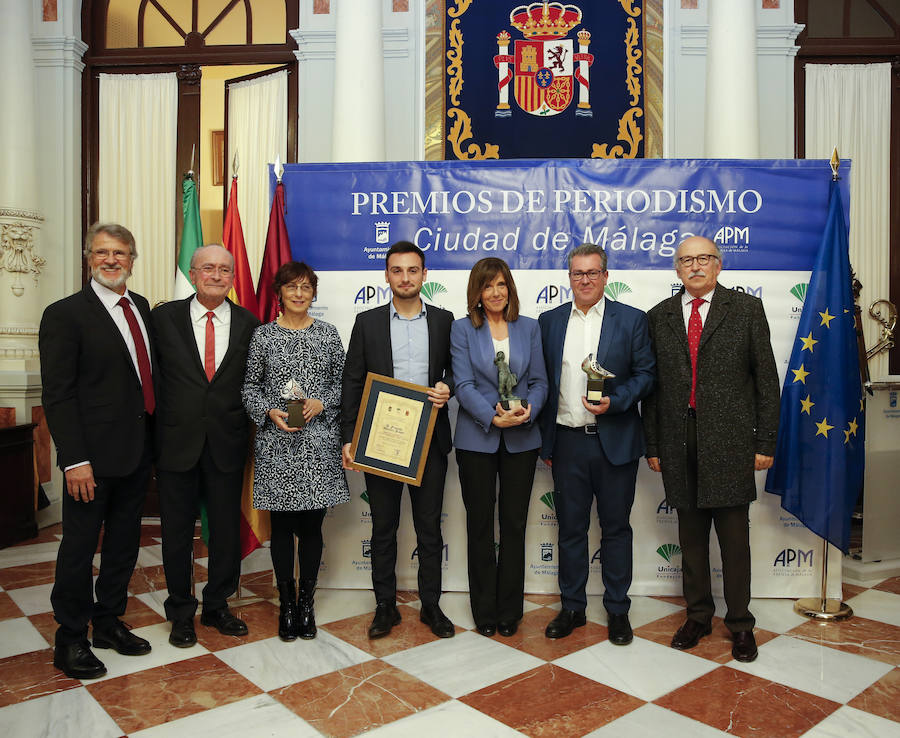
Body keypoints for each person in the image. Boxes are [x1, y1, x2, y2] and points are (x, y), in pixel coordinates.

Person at [643, 236, 779, 663]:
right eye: (686, 260)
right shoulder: (659, 316)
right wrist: (653, 443)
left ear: (718, 265)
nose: (695, 266)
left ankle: (740, 624)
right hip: (678, 442)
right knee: (691, 538)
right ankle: (698, 616)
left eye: (703, 259)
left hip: (731, 443)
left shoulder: (746, 310)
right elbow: (654, 389)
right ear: (677, 269)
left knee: (735, 541)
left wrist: (765, 441)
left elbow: (767, 383)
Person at [39, 222, 155, 679]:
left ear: (131, 260)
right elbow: (59, 394)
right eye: (103, 252)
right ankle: (69, 638)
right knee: (80, 547)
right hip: (89, 461)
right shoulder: (64, 314)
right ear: (88, 258)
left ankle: (108, 622)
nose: (112, 260)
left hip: (136, 452)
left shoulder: (141, 307)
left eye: (121, 253)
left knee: (125, 544)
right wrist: (74, 460)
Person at [538, 243, 655, 643]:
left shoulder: (632, 320)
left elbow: (645, 375)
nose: (584, 280)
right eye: (577, 273)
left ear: (606, 276)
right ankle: (572, 607)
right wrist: (546, 444)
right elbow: (542, 382)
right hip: (567, 442)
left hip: (615, 441)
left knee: (616, 529)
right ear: (568, 277)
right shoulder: (549, 321)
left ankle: (618, 610)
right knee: (570, 530)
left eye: (592, 273)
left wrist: (616, 402)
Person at [341, 241, 456, 639]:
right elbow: (353, 380)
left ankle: (431, 606)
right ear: (386, 275)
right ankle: (385, 607)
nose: (404, 278)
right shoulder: (367, 321)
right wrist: (347, 438)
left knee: (429, 529)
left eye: (412, 270)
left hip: (428, 441)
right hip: (379, 441)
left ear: (425, 275)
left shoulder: (445, 320)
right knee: (384, 527)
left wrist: (447, 387)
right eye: (396, 270)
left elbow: (457, 371)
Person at [152, 244, 260, 647]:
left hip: (227, 444)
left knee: (225, 531)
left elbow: (259, 381)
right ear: (193, 274)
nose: (216, 275)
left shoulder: (251, 323)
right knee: (176, 532)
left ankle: (217, 605)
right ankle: (181, 611)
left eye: (224, 270)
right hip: (176, 443)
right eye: (208, 269)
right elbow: (153, 382)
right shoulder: (162, 319)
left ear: (233, 278)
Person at [242, 261, 349, 641]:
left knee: (312, 528)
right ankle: (286, 604)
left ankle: (307, 604)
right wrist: (267, 411)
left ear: (314, 293)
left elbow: (344, 385)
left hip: (318, 447)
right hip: (277, 447)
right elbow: (249, 388)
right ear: (279, 294)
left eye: (306, 287)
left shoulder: (329, 335)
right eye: (292, 287)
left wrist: (322, 402)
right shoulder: (263, 338)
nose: (300, 294)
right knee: (283, 529)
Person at [450, 257, 548, 637]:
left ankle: (510, 610)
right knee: (479, 525)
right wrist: (491, 416)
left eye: (501, 284)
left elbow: (540, 382)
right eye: (487, 285)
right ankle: (484, 610)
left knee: (514, 524)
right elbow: (462, 384)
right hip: (477, 439)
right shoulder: (462, 330)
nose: (495, 292)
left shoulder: (530, 328)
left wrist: (528, 409)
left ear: (510, 289)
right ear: (477, 291)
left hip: (522, 438)